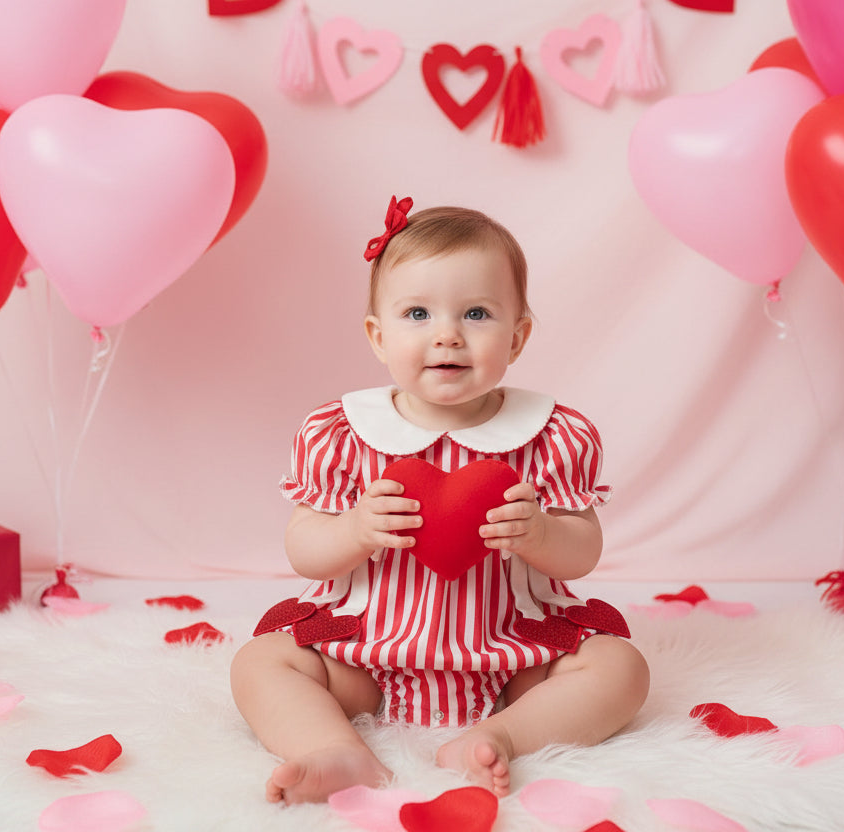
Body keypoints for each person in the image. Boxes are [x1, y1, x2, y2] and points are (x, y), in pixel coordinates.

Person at [230, 196, 649, 805]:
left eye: (477, 313)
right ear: (378, 336)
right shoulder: (340, 434)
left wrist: (541, 535)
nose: (447, 335)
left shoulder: (553, 435)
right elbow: (304, 549)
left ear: (519, 336)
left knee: (622, 670)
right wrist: (354, 530)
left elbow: (583, 549)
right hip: (366, 651)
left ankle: (498, 735)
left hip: (512, 649)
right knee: (261, 663)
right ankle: (335, 749)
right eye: (418, 313)